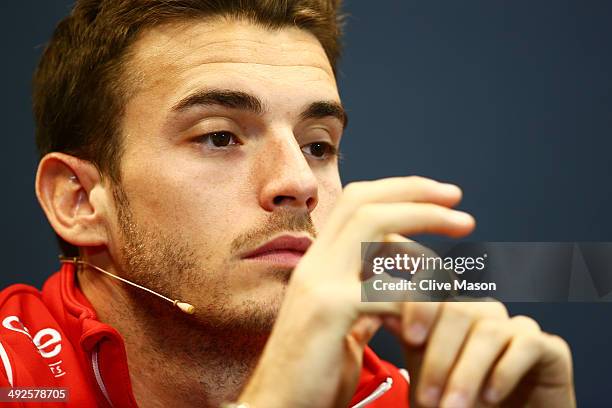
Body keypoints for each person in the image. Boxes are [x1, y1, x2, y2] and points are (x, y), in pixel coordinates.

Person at [0, 1, 575, 407]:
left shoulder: (410, 396)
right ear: (78, 200)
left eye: (318, 145)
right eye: (219, 136)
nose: (299, 182)